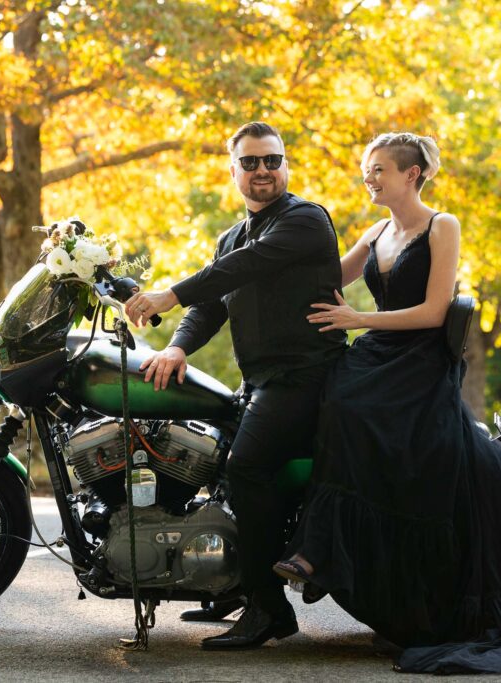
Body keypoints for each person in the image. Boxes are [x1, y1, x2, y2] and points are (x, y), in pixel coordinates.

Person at [272, 132, 501, 673]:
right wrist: (254, 274)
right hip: (375, 352)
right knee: (333, 394)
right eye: (367, 170)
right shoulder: (375, 231)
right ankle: (316, 548)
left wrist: (358, 319)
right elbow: (322, 278)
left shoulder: (442, 225)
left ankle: (315, 549)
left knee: (354, 408)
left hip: (418, 359)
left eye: (379, 170)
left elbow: (437, 311)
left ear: (411, 174)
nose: (369, 178)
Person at [124, 121, 348, 650]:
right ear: (234, 171)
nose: (262, 170)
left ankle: (269, 610)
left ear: (285, 165)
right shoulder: (232, 235)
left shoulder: (305, 220)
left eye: (272, 160)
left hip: (306, 376)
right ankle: (236, 585)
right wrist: (177, 346)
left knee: (246, 468)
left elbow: (242, 268)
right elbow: (211, 302)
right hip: (263, 380)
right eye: (250, 162)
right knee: (216, 460)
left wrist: (165, 295)